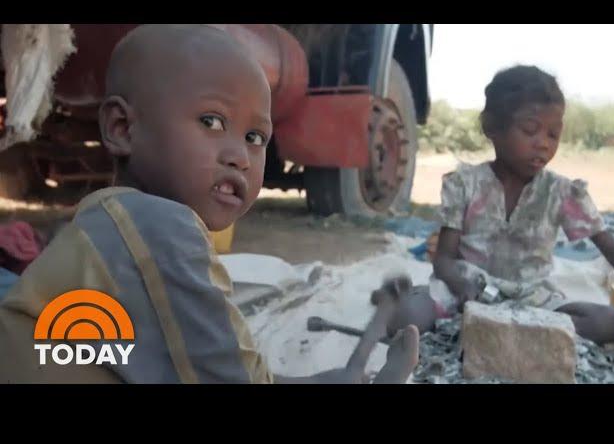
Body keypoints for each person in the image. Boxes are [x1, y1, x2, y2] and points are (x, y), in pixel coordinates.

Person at [0, 24, 418, 383]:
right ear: (122, 128)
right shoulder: (161, 227)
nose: (240, 154)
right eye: (212, 121)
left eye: (256, 138)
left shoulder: (110, 219)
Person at [430, 65, 614, 345]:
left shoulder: (562, 192)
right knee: (409, 312)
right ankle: (518, 335)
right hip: (470, 292)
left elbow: (612, 249)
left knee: (610, 323)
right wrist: (460, 286)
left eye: (553, 135)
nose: (543, 144)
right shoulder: (464, 184)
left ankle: (515, 333)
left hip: (533, 301)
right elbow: (444, 259)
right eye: (530, 130)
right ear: (492, 127)